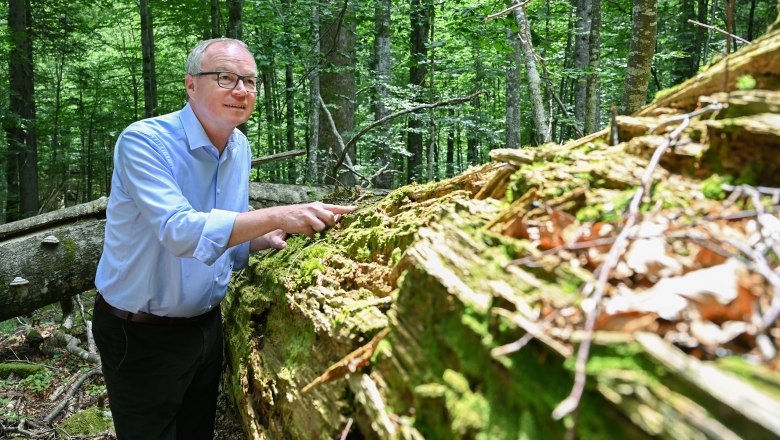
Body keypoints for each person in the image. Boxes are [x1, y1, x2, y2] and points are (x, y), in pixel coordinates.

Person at [92, 38, 354, 440]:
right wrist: (279, 213)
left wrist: (260, 237)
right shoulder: (144, 141)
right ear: (191, 84)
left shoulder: (239, 147)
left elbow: (217, 239)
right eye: (225, 77)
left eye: (249, 81)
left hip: (206, 327)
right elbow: (180, 231)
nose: (241, 90)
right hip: (141, 333)